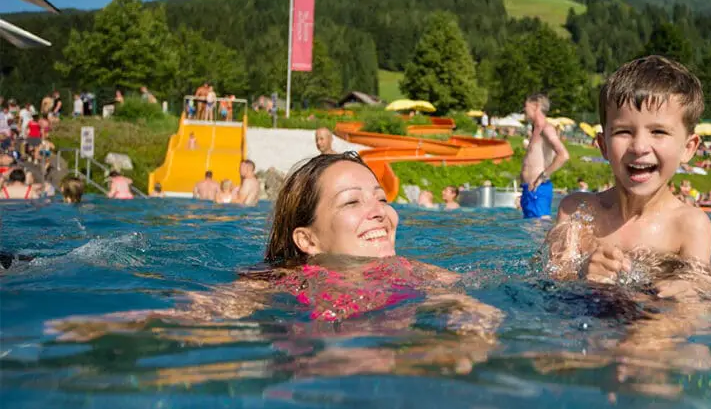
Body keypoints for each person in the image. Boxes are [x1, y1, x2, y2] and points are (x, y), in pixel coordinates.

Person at [48, 152, 503, 375]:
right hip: (310, 382)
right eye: (352, 202)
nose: (379, 210)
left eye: (382, 198)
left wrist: (466, 343)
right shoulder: (285, 282)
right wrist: (123, 326)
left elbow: (476, 305)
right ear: (306, 238)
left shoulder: (424, 273)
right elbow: (205, 312)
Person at [546, 55, 711, 297]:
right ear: (603, 145)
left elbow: (700, 287)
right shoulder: (576, 211)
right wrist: (582, 273)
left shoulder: (689, 225)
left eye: (658, 132)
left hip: (652, 316)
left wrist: (687, 289)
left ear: (688, 148)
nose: (639, 146)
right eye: (624, 131)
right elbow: (550, 282)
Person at [520, 94, 570, 219]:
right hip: (530, 189)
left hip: (539, 189)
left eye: (526, 106)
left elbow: (563, 155)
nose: (524, 110)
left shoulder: (546, 129)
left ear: (536, 106)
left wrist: (543, 176)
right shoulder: (536, 130)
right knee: (529, 232)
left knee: (538, 230)